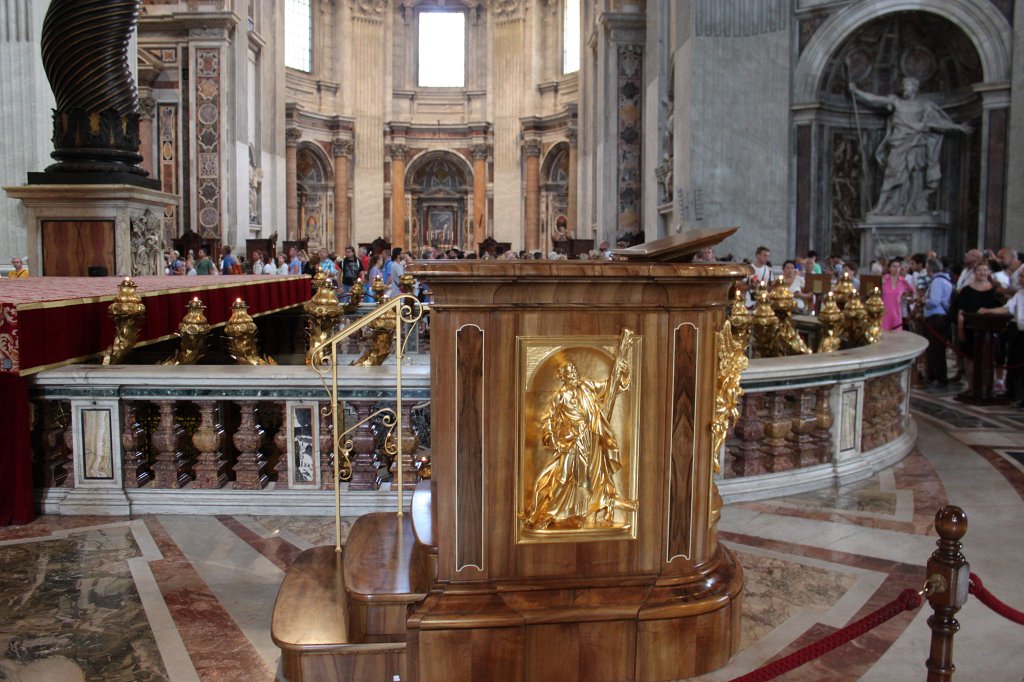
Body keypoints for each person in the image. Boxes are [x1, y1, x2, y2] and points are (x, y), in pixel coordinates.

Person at [522, 343, 637, 529]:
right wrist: (551, 437)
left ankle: (579, 513)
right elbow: (548, 419)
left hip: (591, 438)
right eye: (570, 373)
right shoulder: (560, 397)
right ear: (564, 377)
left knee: (588, 478)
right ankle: (549, 513)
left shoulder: (586, 387)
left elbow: (609, 387)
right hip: (571, 441)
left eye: (575, 371)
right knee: (564, 476)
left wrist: (622, 375)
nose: (574, 374)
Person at [849, 77, 973, 216]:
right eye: (904, 85)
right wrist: (857, 91)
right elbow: (875, 99)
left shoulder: (924, 105)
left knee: (916, 176)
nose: (904, 88)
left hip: (917, 143)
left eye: (907, 85)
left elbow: (938, 122)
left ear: (915, 88)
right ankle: (881, 207)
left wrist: (958, 127)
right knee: (892, 174)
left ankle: (915, 206)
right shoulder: (896, 101)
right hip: (898, 143)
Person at [980, 267, 1024, 406]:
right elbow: (1007, 308)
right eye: (1021, 276)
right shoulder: (1020, 294)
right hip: (1018, 333)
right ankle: (1012, 392)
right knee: (1013, 362)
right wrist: (988, 311)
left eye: (1023, 276)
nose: (1020, 279)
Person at [957, 261, 1002, 386]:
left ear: (988, 272)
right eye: (979, 270)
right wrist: (960, 329)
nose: (982, 273)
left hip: (990, 329)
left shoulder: (994, 290)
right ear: (974, 272)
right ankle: (971, 385)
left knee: (991, 358)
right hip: (971, 328)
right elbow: (961, 311)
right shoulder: (966, 290)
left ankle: (988, 385)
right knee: (970, 357)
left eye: (985, 270)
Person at [922, 258, 953, 386]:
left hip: (936, 318)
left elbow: (934, 301)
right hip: (939, 318)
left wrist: (924, 301)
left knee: (936, 350)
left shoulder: (938, 282)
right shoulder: (943, 280)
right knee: (935, 349)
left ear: (929, 269)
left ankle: (939, 376)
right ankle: (934, 375)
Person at [880, 259, 915, 330]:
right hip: (883, 312)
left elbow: (912, 291)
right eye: (894, 266)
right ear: (889, 268)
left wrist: (904, 296)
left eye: (898, 267)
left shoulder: (903, 281)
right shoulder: (883, 279)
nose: (896, 269)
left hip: (896, 312)